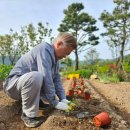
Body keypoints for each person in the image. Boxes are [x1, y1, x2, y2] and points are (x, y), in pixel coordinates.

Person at [3, 32, 77, 128]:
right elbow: (46, 76)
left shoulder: (55, 60)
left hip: (23, 87)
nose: (65, 56)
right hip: (13, 86)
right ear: (59, 44)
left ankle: (37, 102)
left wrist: (63, 98)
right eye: (66, 52)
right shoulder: (44, 49)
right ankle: (28, 115)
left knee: (41, 77)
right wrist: (54, 102)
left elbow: (57, 79)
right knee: (37, 76)